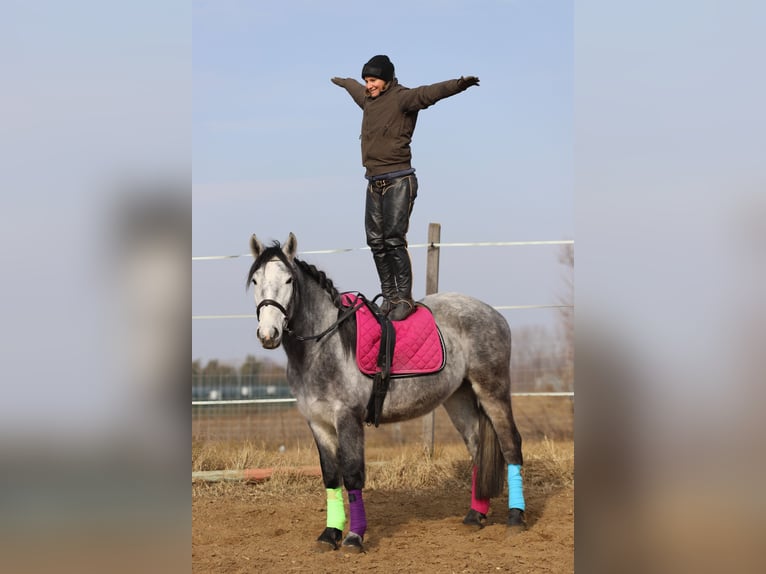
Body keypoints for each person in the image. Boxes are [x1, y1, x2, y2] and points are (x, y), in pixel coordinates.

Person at [331, 55, 479, 321]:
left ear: (386, 80)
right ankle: (388, 297)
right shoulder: (367, 100)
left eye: (373, 80)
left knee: (393, 240)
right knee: (375, 241)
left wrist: (459, 84)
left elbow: (430, 93)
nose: (368, 85)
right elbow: (355, 89)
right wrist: (345, 83)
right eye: (366, 80)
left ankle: (404, 299)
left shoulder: (403, 98)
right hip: (374, 182)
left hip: (399, 181)